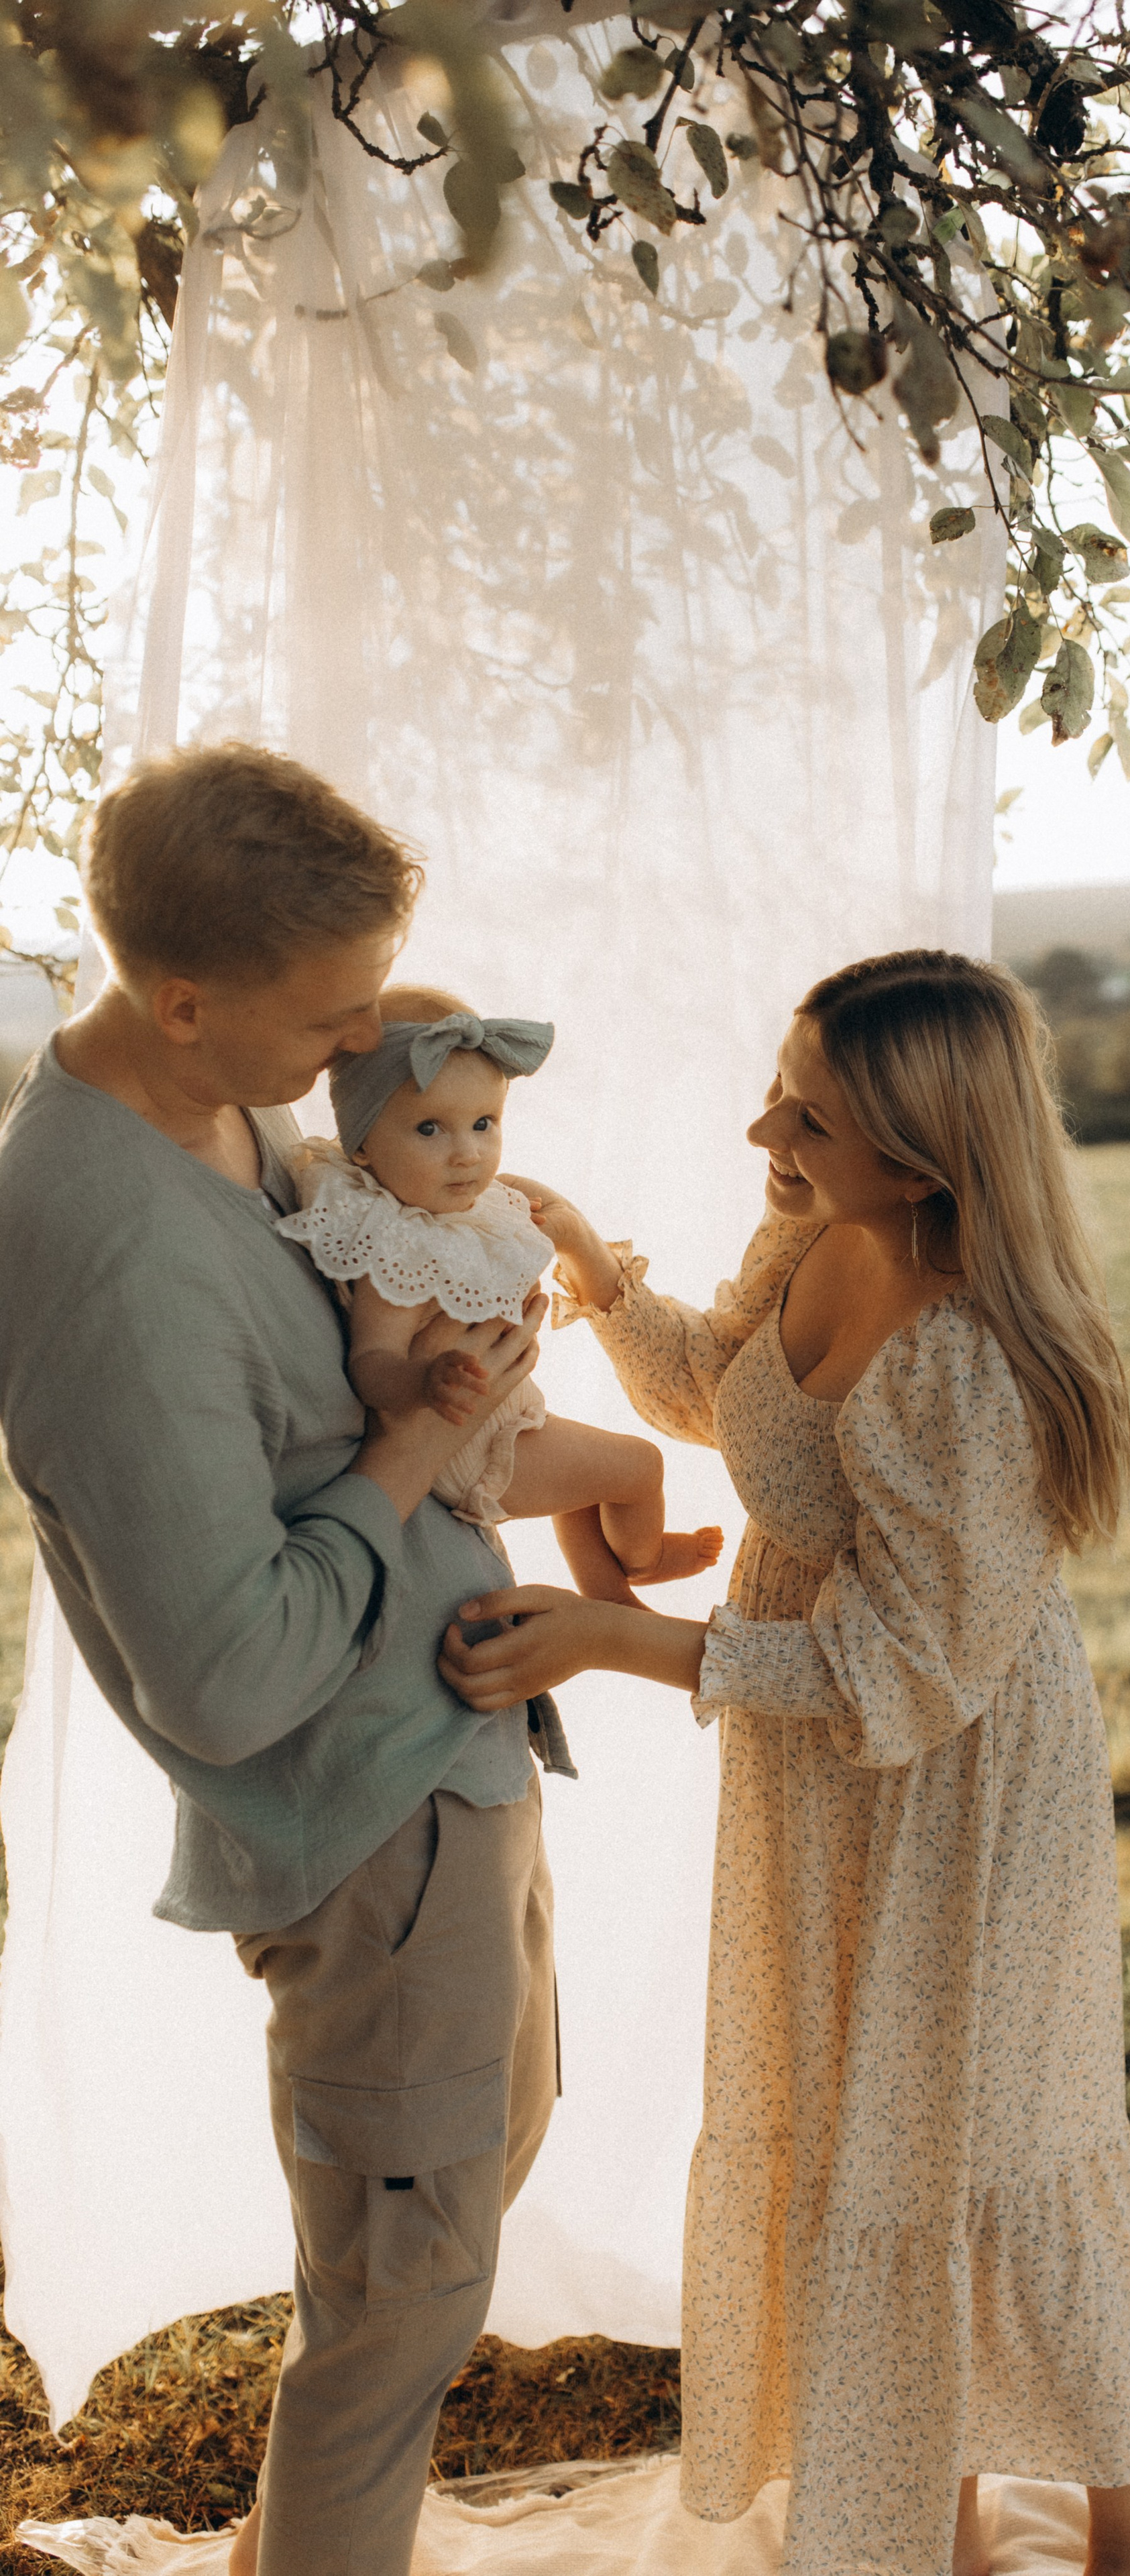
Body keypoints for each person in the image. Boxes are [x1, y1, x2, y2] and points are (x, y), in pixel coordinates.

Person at [441, 950, 1130, 2576]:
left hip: (952, 1777)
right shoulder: (818, 1222)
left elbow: (900, 1668)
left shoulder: (964, 1359)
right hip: (820, 1766)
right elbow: (731, 1395)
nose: (759, 1125)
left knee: (971, 2137)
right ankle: (946, 2513)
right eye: (781, 1081)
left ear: (927, 1158)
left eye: (810, 1112)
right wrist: (587, 1267)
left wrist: (603, 1636)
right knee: (864, 2123)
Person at [0, 743, 570, 2576]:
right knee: (401, 2305)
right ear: (183, 1003)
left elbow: (331, 1378)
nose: (364, 1055)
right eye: (333, 1023)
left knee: (465, 2204)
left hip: (451, 1758)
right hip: (362, 1820)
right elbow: (227, 1677)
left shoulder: (226, 1110)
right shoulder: (106, 1260)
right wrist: (411, 1454)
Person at [281, 979, 722, 1601]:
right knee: (640, 1466)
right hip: (469, 1445)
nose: (467, 1155)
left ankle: (605, 1588)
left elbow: (517, 1202)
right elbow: (371, 1363)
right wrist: (424, 1383)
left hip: (501, 1422)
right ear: (361, 1142)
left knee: (585, 1477)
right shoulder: (399, 1246)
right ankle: (644, 1557)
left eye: (484, 1123)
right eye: (431, 1129)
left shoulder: (445, 1212)